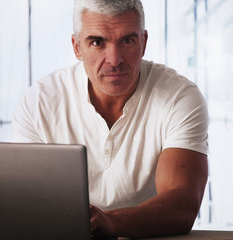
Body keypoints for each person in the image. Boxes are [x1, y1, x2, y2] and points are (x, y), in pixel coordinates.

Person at [11, 0, 208, 238]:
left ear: (143, 43)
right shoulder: (40, 102)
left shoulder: (179, 97)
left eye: (127, 41)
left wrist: (110, 222)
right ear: (77, 47)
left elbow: (182, 205)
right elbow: (25, 202)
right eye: (97, 42)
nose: (114, 60)